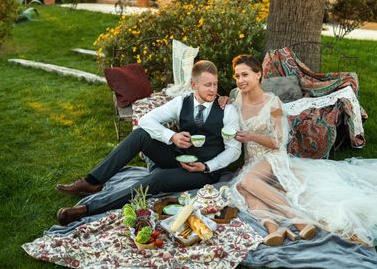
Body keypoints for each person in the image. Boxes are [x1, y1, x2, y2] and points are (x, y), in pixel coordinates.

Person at [228, 54, 377, 250]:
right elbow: (222, 115)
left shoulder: (273, 104)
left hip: (272, 158)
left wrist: (249, 136)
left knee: (247, 180)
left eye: (245, 74)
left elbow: (278, 142)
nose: (240, 80)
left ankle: (299, 219)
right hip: (253, 163)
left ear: (259, 74)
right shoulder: (237, 99)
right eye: (237, 76)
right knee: (243, 187)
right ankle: (274, 228)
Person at [56, 60, 241, 225]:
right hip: (178, 157)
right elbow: (145, 120)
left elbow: (234, 150)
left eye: (215, 84)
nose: (213, 89)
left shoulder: (227, 110)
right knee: (141, 134)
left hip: (204, 172)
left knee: (157, 179)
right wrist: (171, 136)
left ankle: (89, 208)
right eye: (207, 85)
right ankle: (92, 182)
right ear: (194, 85)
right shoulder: (181, 102)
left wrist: (207, 166)